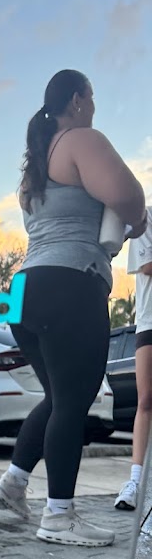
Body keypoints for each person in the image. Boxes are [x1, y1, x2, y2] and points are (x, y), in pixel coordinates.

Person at [0, 70, 147, 546]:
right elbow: (129, 197)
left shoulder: (35, 165)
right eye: (91, 98)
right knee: (74, 402)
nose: (93, 108)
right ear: (77, 100)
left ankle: (14, 480)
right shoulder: (81, 139)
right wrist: (136, 220)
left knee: (59, 398)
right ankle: (59, 515)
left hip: (27, 288)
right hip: (71, 283)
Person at [115, 207, 152, 511]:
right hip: (149, 323)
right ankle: (135, 482)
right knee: (146, 400)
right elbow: (148, 265)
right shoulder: (146, 217)